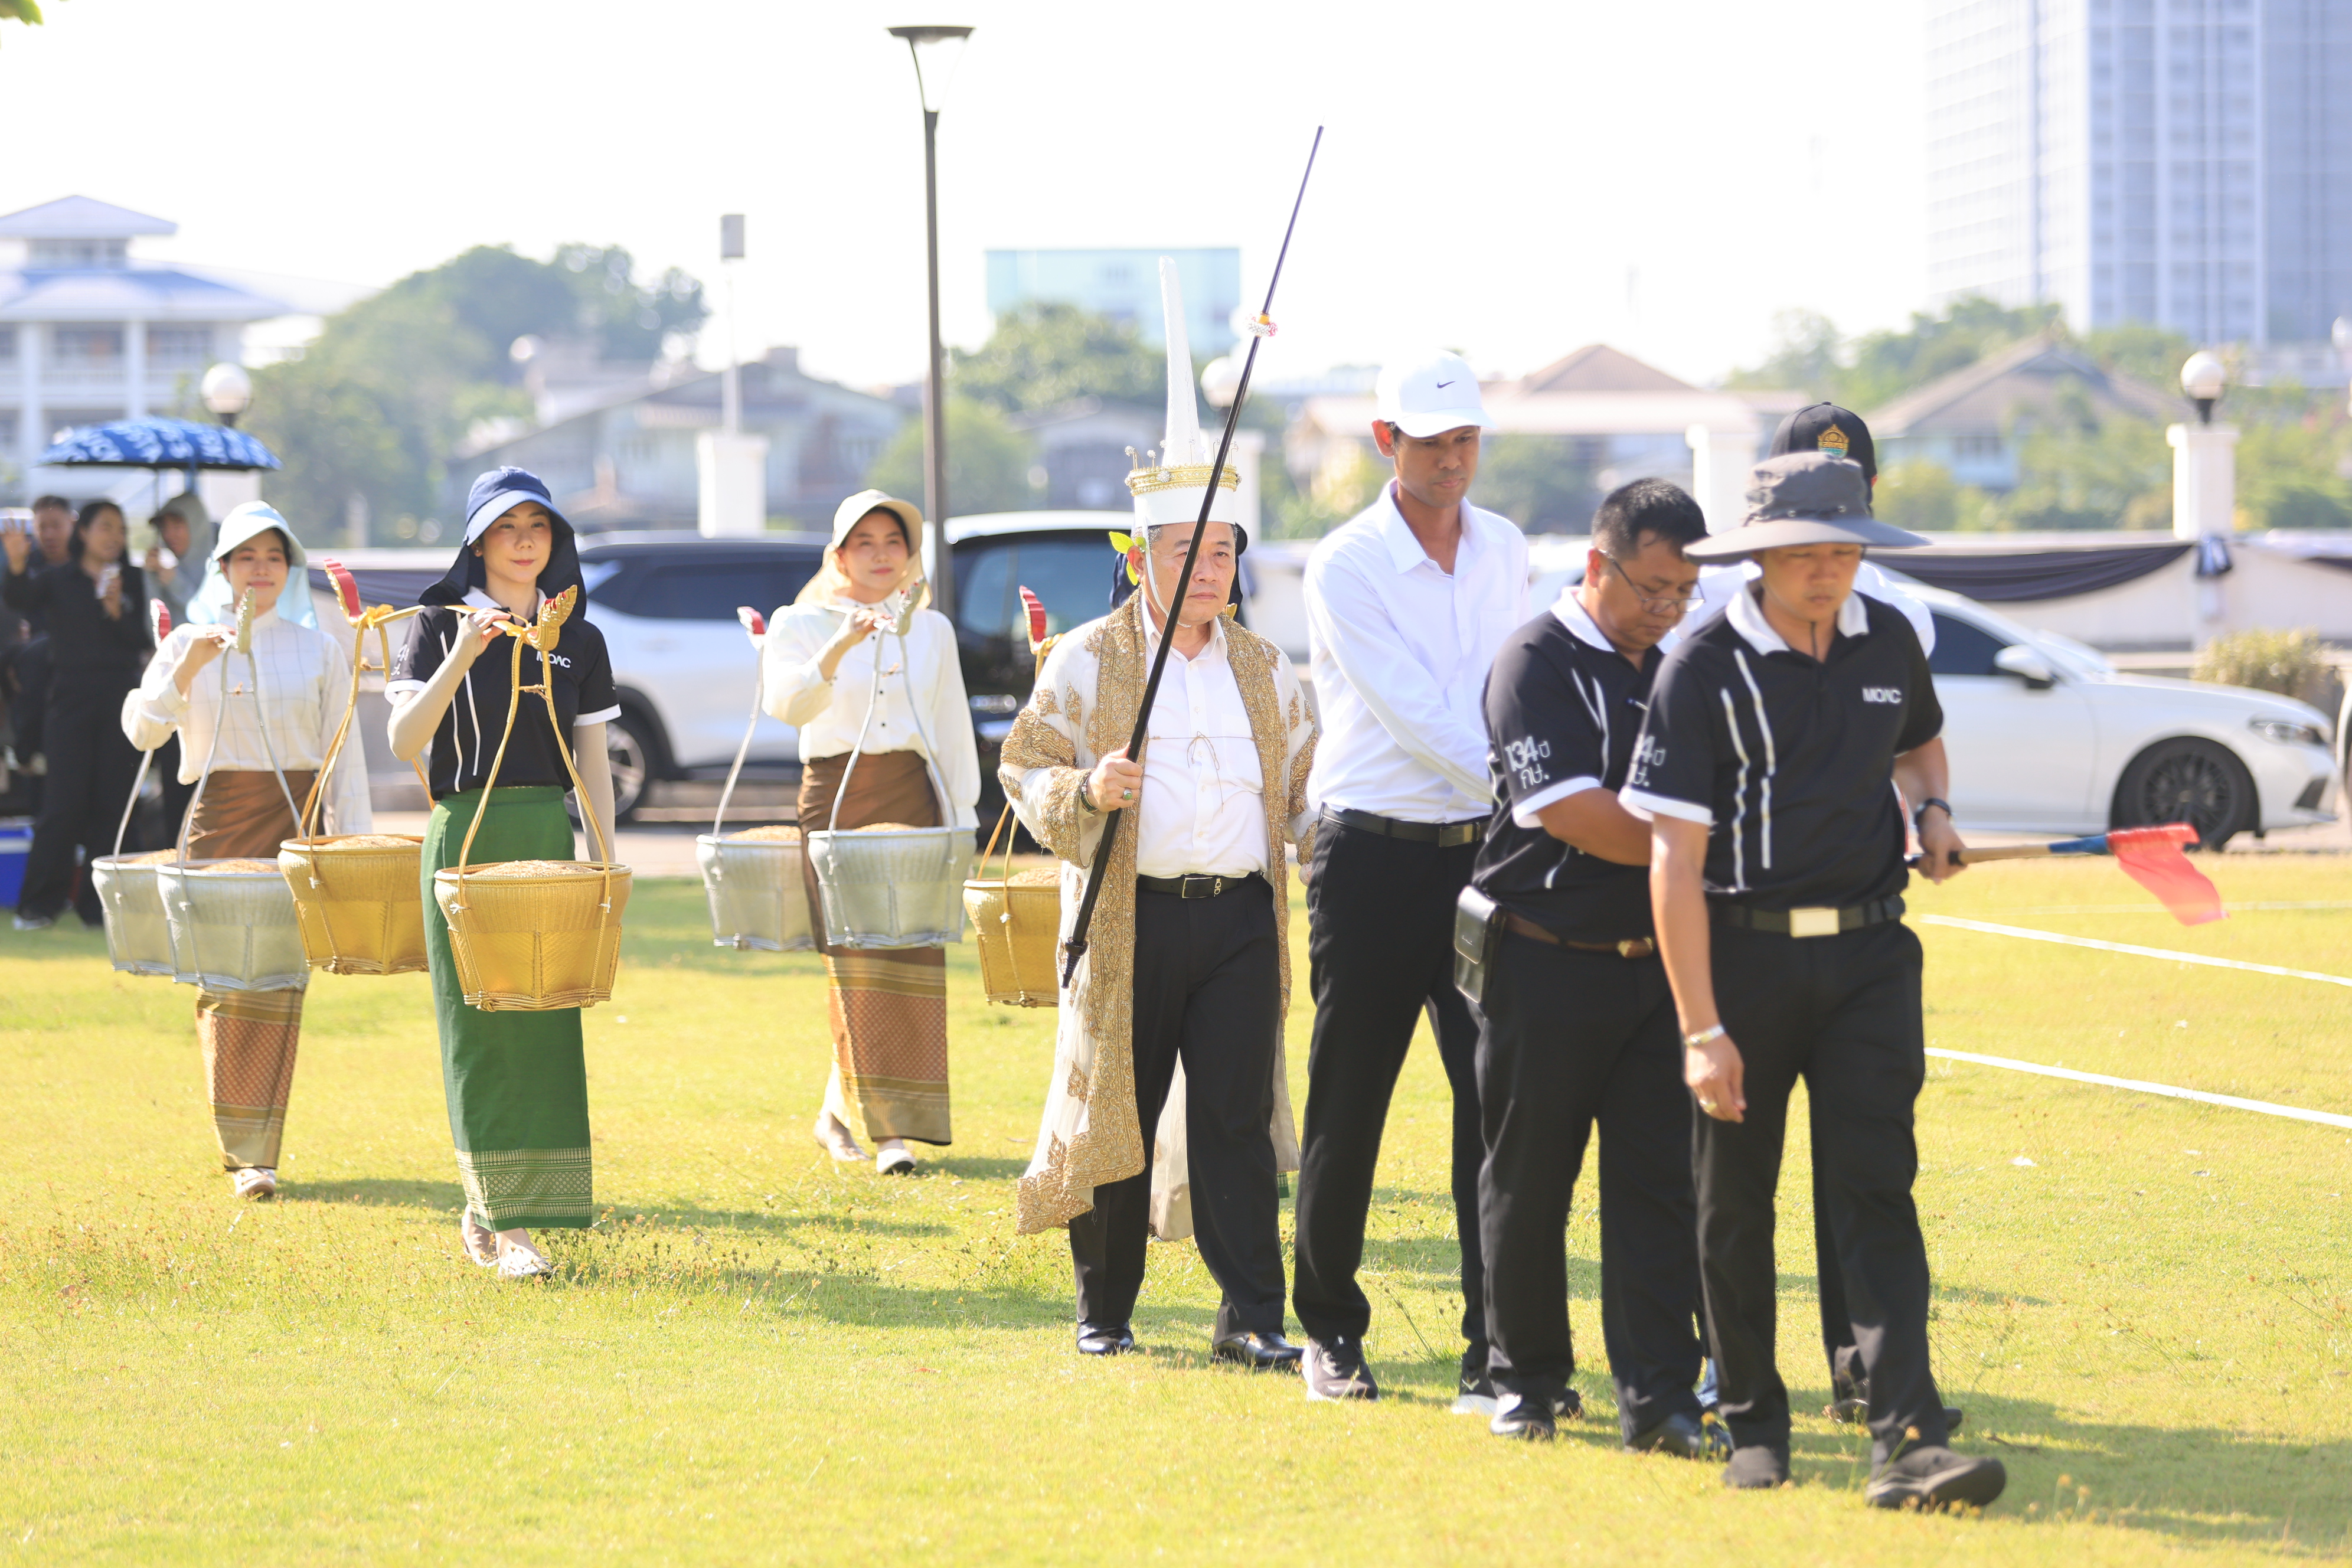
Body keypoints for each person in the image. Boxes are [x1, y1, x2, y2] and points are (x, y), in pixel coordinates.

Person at [1623, 450, 2006, 1510]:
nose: (1829, 571)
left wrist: (1930, 813)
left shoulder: (1885, 639)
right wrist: (1700, 1029)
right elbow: (1671, 863)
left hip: (1872, 955)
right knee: (1733, 1200)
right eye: (1807, 554)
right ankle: (1751, 1420)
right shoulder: (1698, 665)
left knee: (1875, 1184)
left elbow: (1918, 746)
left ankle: (1907, 1435)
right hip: (1740, 956)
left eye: (1845, 551)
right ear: (1758, 555)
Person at [1001, 266, 1316, 1366]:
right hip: (1128, 917)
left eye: (1221, 549)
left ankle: (1252, 1320)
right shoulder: (1086, 663)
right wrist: (1084, 792)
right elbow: (1023, 769)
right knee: (1111, 1115)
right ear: (1143, 556)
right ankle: (1105, 1310)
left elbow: (1306, 796)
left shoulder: (1268, 669)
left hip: (1236, 920)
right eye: (1184, 549)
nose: (1205, 568)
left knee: (1232, 1117)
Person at [1292, 351, 1527, 1409]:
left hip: (1481, 854)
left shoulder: (1507, 548)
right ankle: (1329, 1334)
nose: (1451, 459)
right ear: (1385, 442)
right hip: (1371, 856)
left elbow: (1511, 685)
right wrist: (1538, 783)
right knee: (1351, 1101)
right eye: (1431, 441)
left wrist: (1527, 789)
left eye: (1466, 438)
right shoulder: (1344, 563)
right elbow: (1415, 716)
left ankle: (1497, 1345)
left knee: (1497, 1101)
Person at [1467, 479, 1722, 1452]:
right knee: (1527, 1180)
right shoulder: (1534, 658)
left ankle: (1655, 1395)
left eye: (1682, 594)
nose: (1665, 610)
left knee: (1656, 1185)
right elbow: (1572, 810)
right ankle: (1524, 1380)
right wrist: (1698, 846)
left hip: (1654, 967)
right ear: (1595, 565)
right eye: (1652, 588)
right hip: (1543, 962)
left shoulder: (1682, 663)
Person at [387, 468, 619, 1281]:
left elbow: (592, 765)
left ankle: (519, 1206)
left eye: (539, 528)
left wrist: (605, 866)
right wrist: (462, 652)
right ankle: (504, 1224)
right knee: (482, 1031)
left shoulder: (579, 640)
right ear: (478, 541)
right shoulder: (434, 623)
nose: (525, 543)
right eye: (507, 528)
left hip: (548, 838)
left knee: (546, 1025)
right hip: (464, 839)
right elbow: (403, 742)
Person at [124, 504, 369, 1201]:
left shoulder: (318, 646)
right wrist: (188, 665)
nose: (259, 569)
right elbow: (142, 731)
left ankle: (263, 1150)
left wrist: (349, 843)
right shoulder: (190, 642)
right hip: (218, 830)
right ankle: (245, 1154)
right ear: (223, 568)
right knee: (227, 991)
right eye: (245, 557)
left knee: (282, 989)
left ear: (287, 568)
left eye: (273, 557)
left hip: (297, 830)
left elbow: (341, 753)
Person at [760, 488, 979, 1175]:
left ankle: (837, 1115)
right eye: (866, 543)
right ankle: (890, 1136)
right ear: (839, 554)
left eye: (894, 543)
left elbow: (951, 731)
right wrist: (839, 644)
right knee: (854, 964)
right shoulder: (799, 622)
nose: (881, 556)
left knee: (909, 960)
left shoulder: (933, 629)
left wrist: (961, 821)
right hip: (836, 799)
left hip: (913, 797)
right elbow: (785, 705)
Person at [3, 499, 151, 930]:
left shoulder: (134, 580)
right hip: (69, 702)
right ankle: (38, 906)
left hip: (120, 702)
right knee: (62, 805)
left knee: (113, 806)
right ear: (82, 532)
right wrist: (15, 561)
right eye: (105, 527)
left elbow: (140, 638)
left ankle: (98, 908)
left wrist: (115, 608)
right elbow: (19, 595)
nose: (114, 537)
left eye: (120, 529)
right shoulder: (58, 578)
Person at [142, 494, 211, 836]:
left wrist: (174, 581)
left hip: (212, 694)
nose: (171, 534)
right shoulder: (163, 568)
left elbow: (207, 616)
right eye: (165, 526)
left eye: (178, 523)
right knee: (175, 784)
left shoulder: (219, 564)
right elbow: (150, 627)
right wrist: (153, 579)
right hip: (172, 693)